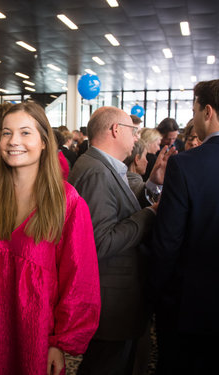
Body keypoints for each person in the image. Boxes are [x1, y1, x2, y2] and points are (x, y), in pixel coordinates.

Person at [0, 102, 100, 375]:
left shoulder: (67, 204)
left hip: (36, 338)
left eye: (25, 132)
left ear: (43, 142)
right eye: (6, 132)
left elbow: (79, 280)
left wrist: (59, 344)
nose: (14, 141)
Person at [150, 78, 219, 375]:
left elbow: (167, 242)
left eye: (195, 108)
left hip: (189, 308)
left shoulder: (185, 165)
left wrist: (157, 293)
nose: (194, 116)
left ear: (207, 111)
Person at [68, 106, 174, 375]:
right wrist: (150, 215)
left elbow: (122, 208)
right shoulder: (96, 171)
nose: (136, 138)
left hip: (118, 297)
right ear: (116, 130)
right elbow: (101, 241)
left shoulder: (104, 166)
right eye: (133, 131)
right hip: (111, 298)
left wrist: (151, 184)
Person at [123, 139, 149, 207]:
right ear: (137, 159)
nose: (147, 161)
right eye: (145, 156)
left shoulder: (116, 180)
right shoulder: (141, 188)